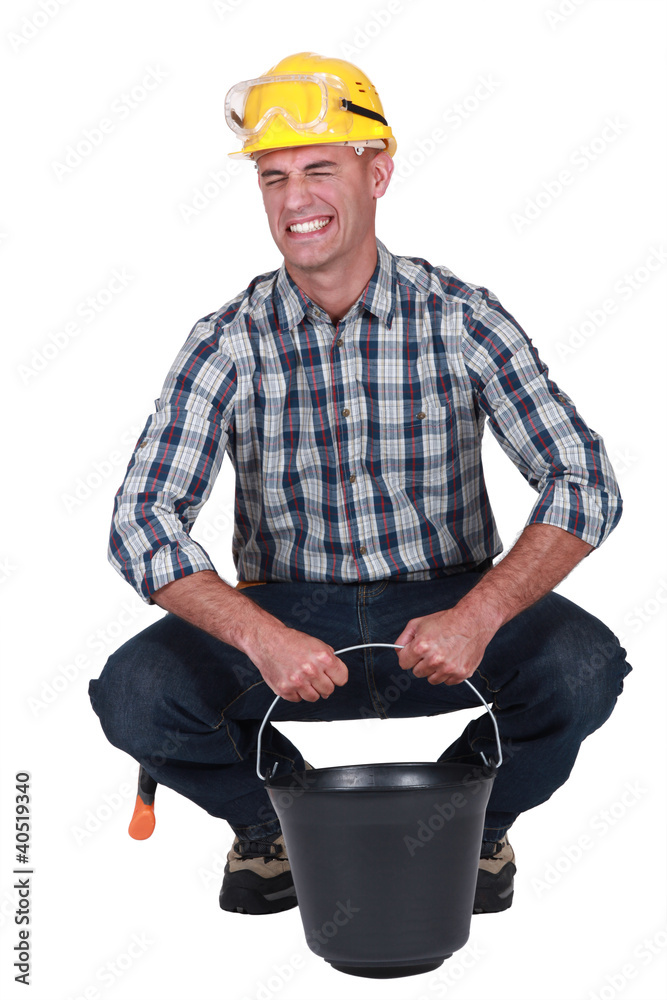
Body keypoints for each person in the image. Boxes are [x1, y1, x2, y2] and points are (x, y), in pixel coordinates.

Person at [89, 51, 631, 918]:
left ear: (377, 172)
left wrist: (479, 616)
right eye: (273, 177)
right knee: (134, 693)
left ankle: (469, 825)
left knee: (583, 665)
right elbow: (140, 521)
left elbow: (583, 480)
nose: (294, 199)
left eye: (318, 169)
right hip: (289, 622)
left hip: (446, 614)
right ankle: (276, 827)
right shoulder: (226, 339)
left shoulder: (459, 315)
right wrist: (259, 636)